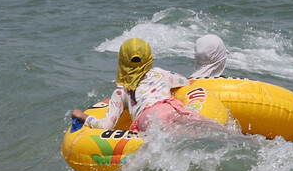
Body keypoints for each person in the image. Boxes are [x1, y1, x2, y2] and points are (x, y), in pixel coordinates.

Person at [71, 38, 212, 132]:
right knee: (209, 130)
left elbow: (105, 126)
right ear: (149, 59)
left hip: (148, 118)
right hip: (170, 108)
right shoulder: (159, 74)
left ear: (122, 62)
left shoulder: (121, 92)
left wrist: (83, 116)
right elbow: (185, 81)